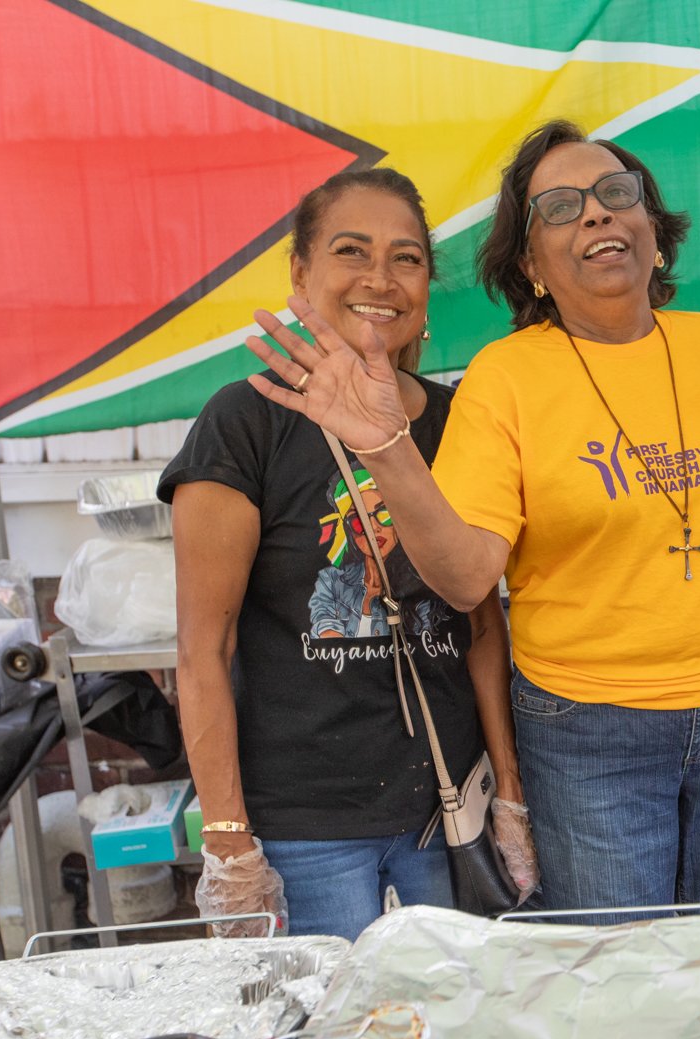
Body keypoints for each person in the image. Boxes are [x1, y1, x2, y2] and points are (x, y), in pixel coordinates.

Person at [240, 121, 700, 921]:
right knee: (623, 987)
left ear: (653, 229)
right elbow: (469, 576)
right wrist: (386, 449)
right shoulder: (504, 380)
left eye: (618, 195)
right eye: (563, 208)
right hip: (591, 737)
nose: (600, 216)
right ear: (530, 265)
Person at [159, 167, 534, 941]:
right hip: (308, 828)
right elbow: (203, 649)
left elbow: (484, 626)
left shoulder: (462, 419)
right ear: (301, 274)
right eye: (351, 252)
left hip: (446, 812)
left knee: (450, 1034)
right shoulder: (245, 422)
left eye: (406, 258)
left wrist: (509, 793)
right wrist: (228, 843)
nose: (380, 279)